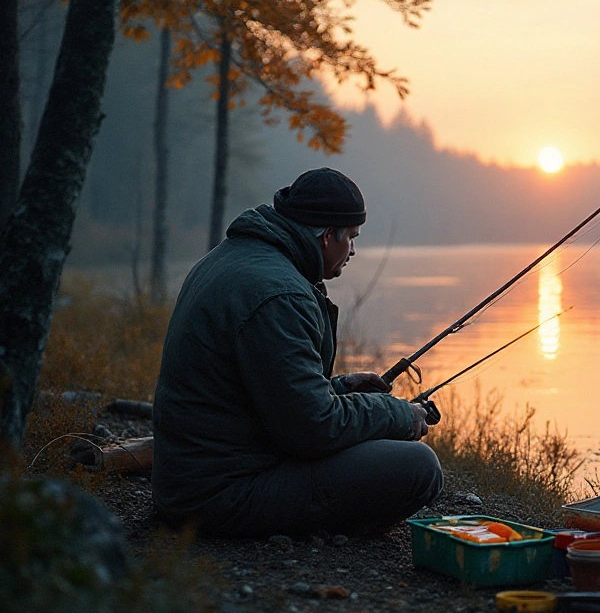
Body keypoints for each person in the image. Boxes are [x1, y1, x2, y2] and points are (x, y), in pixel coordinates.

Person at [152, 168, 442, 537]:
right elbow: (312, 428)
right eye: (350, 238)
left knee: (376, 439)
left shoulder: (234, 259)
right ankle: (335, 534)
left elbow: (259, 389)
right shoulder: (281, 294)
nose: (353, 250)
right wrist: (401, 414)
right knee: (419, 468)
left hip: (192, 484)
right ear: (326, 236)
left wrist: (340, 387)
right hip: (217, 498)